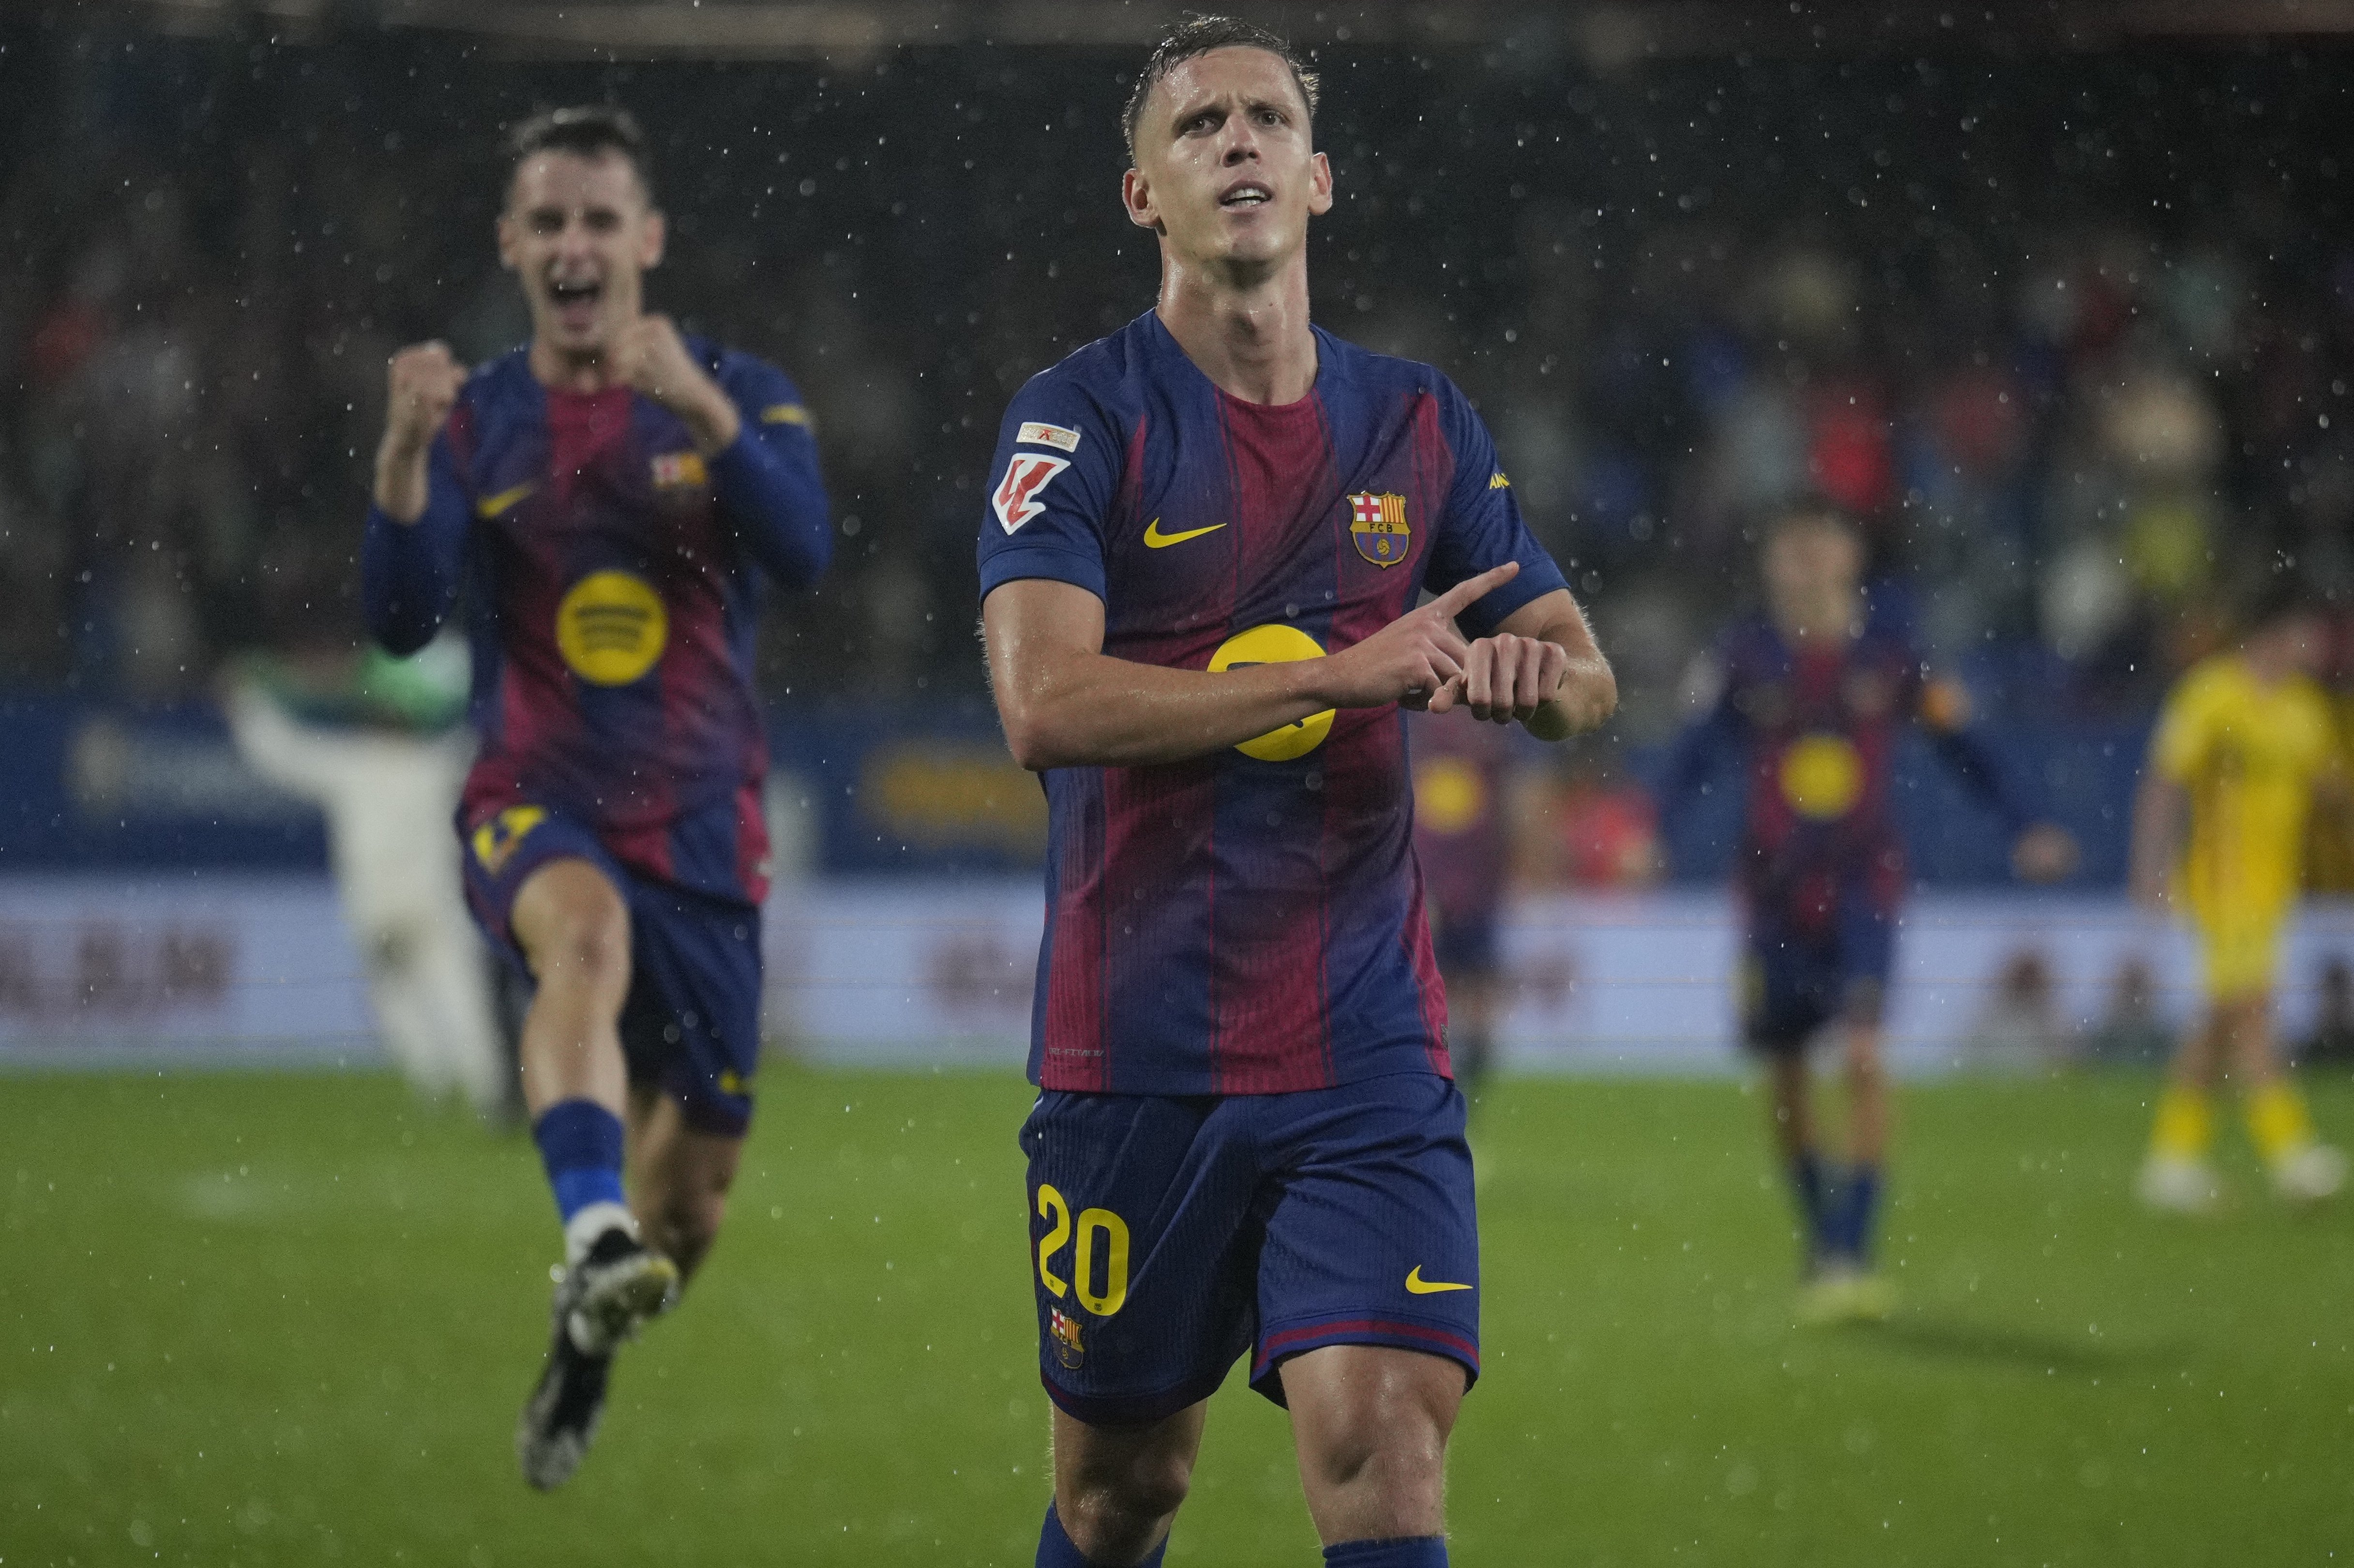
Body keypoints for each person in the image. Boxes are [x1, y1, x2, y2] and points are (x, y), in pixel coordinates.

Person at [976, 20, 1616, 1568]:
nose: (1240, 144)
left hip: (1363, 1046)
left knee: (1382, 1449)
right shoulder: (1079, 423)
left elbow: (1583, 671)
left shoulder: (1419, 423)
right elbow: (1040, 706)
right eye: (1197, 129)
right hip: (1136, 1051)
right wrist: (1333, 678)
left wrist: (1540, 690)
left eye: (1268, 119)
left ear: (1319, 178)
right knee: (1122, 1495)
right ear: (1144, 197)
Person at [359, 106, 830, 1490]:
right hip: (535, 795)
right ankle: (588, 1230)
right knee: (583, 944)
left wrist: (700, 409)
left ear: (647, 240)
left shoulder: (737, 382)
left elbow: (802, 549)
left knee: (694, 1207)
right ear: (513, 245)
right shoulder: (474, 420)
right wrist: (398, 457)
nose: (575, 245)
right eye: (549, 222)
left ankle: (591, 1327)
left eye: (599, 220)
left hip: (702, 826)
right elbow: (398, 626)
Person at [1655, 502, 2076, 1324]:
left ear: (1849, 556)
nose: (1807, 563)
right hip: (1771, 891)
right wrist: (1651, 827)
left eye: (1821, 547)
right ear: (1771, 563)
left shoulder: (1893, 656)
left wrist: (2024, 821)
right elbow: (1690, 752)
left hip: (1860, 889)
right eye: (1791, 550)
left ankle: (1849, 1246)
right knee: (1783, 1076)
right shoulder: (1743, 658)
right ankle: (1820, 1234)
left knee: (1861, 1054)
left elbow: (1968, 744)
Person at [222, 637, 511, 1118]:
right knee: (457, 997)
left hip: (379, 903)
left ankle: (441, 1083)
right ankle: (485, 1091)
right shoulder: (433, 763)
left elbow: (283, 752)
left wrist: (248, 706)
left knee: (407, 999)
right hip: (430, 902)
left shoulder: (354, 763)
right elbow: (488, 744)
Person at [2129, 585, 2349, 1211]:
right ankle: (2290, 1153)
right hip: (2220, 882)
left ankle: (2173, 1159)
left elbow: (2331, 792)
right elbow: (2166, 783)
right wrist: (2148, 867)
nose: (2316, 646)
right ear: (2275, 633)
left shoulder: (2305, 710)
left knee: (2223, 1017)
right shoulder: (2211, 695)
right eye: (2307, 633)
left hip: (2274, 888)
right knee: (2250, 1010)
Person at [1409, 711, 1519, 1098]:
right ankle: (1446, 1077)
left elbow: (1502, 811)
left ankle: (1466, 1080)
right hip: (1432, 888)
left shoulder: (1487, 731)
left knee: (1475, 987)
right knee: (1442, 986)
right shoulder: (1417, 731)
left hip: (1474, 888)